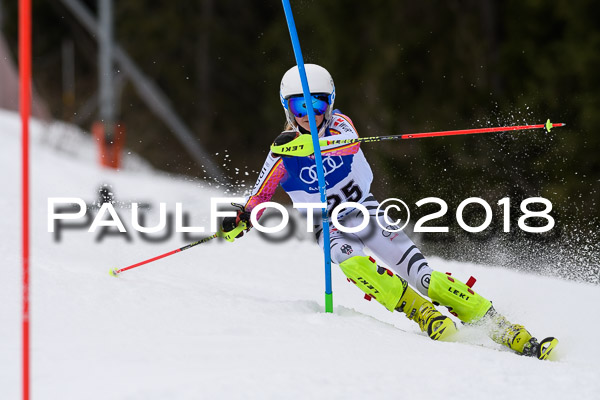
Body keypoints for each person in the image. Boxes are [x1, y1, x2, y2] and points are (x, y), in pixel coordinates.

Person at [222, 64, 557, 359]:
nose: (310, 113)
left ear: (330, 103)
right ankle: (422, 313)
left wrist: (312, 146)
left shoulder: (340, 126)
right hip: (330, 227)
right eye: (300, 105)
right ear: (287, 107)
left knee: (423, 276)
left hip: (366, 213)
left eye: (318, 102)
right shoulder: (282, 152)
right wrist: (241, 218)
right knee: (348, 260)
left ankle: (504, 328)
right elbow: (259, 196)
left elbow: (350, 143)